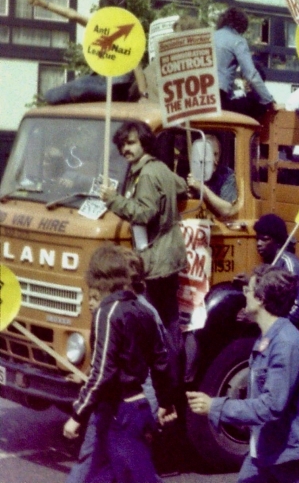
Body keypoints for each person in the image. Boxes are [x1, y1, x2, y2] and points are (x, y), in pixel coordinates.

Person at [187, 265, 299, 483]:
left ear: (261, 299)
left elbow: (271, 406)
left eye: (248, 291)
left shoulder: (285, 345)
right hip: (266, 451)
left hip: (292, 461)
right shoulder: (268, 337)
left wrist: (215, 407)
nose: (244, 296)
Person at [63, 244, 178, 483]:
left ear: (95, 277)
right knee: (101, 475)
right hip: (139, 408)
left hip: (119, 412)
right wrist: (166, 401)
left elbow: (104, 371)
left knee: (134, 476)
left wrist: (77, 414)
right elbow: (161, 361)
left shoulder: (107, 312)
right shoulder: (142, 310)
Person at [100, 120, 187, 368]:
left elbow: (145, 213)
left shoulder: (147, 174)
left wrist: (113, 200)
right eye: (123, 144)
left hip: (156, 257)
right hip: (168, 254)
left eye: (131, 143)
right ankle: (174, 373)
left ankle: (164, 376)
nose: (126, 149)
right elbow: (180, 186)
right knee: (169, 321)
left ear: (144, 143)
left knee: (155, 322)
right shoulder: (158, 168)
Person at [253, 214, 299, 342]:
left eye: (265, 239)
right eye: (257, 239)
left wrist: (273, 329)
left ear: (278, 242)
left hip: (295, 337)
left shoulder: (290, 265)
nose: (259, 244)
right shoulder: (269, 263)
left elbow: (298, 309)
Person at [213, 6, 276, 114]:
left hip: (200, 93)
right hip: (219, 95)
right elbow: (250, 74)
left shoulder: (211, 35)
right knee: (252, 106)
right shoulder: (238, 40)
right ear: (241, 25)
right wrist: (269, 100)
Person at [186, 133, 239, 219]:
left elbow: (228, 210)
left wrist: (202, 189)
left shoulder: (226, 175)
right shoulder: (193, 175)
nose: (214, 160)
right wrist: (188, 196)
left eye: (216, 154)